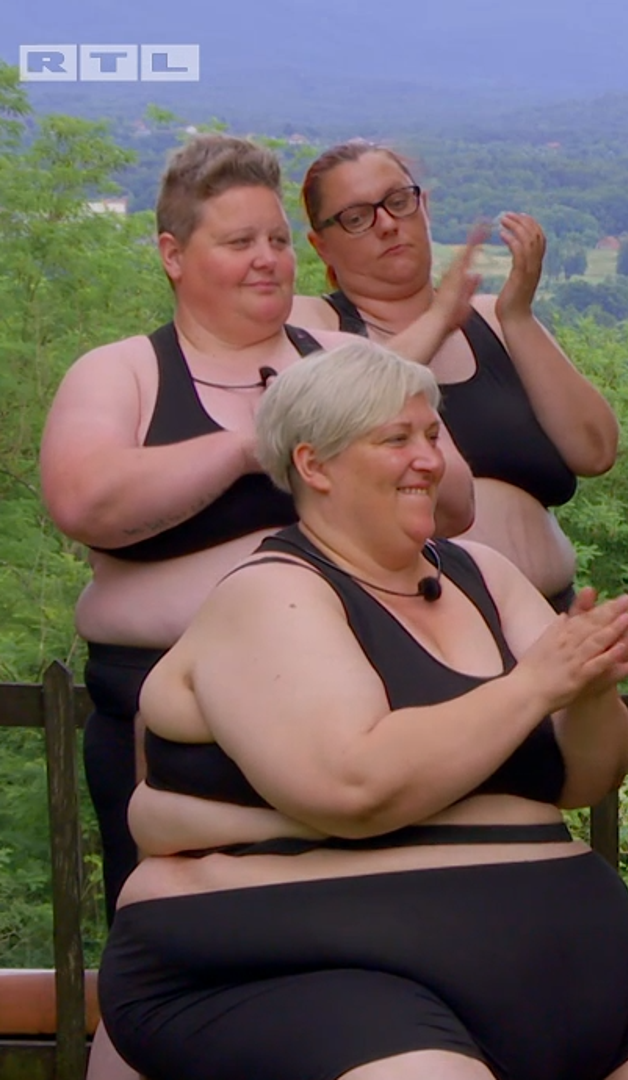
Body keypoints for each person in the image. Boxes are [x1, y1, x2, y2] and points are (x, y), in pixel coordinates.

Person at [99, 341, 628, 1080]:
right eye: (397, 439)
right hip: (317, 974)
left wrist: (587, 693)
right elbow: (351, 786)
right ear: (314, 465)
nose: (429, 460)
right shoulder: (270, 594)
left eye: (432, 434)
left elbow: (589, 779)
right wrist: (532, 687)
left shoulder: (485, 574)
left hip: (569, 968)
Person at [38, 133, 475, 924]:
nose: (268, 260)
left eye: (276, 240)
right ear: (173, 254)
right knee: (181, 935)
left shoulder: (343, 358)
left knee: (360, 927)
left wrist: (376, 439)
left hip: (359, 708)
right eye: (240, 243)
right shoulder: (122, 371)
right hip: (165, 728)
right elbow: (84, 500)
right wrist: (252, 443)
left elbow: (452, 503)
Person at [293, 140, 619, 610]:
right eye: (357, 217)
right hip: (418, 624)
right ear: (321, 245)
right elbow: (345, 400)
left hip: (552, 612)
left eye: (399, 201)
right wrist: (439, 318)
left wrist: (518, 317)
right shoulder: (315, 327)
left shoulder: (494, 318)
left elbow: (595, 450)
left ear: (424, 206)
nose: (387, 224)